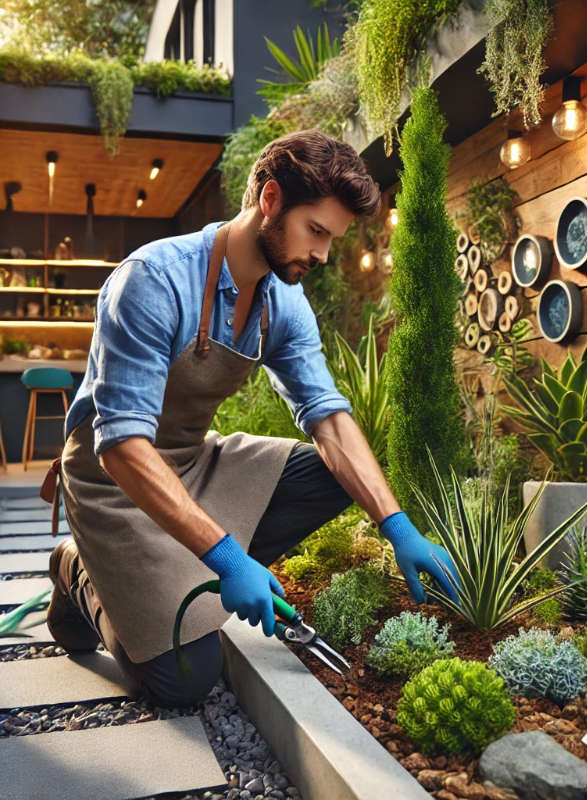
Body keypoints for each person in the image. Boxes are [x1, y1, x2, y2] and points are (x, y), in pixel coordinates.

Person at [46, 130, 459, 707]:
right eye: (316, 231)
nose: (320, 255)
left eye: (332, 240)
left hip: (194, 460)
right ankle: (78, 571)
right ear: (269, 200)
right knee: (185, 683)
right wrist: (228, 557)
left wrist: (398, 527)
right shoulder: (154, 280)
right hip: (113, 480)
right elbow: (122, 449)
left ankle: (188, 569)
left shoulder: (282, 302)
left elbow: (328, 416)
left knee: (327, 473)